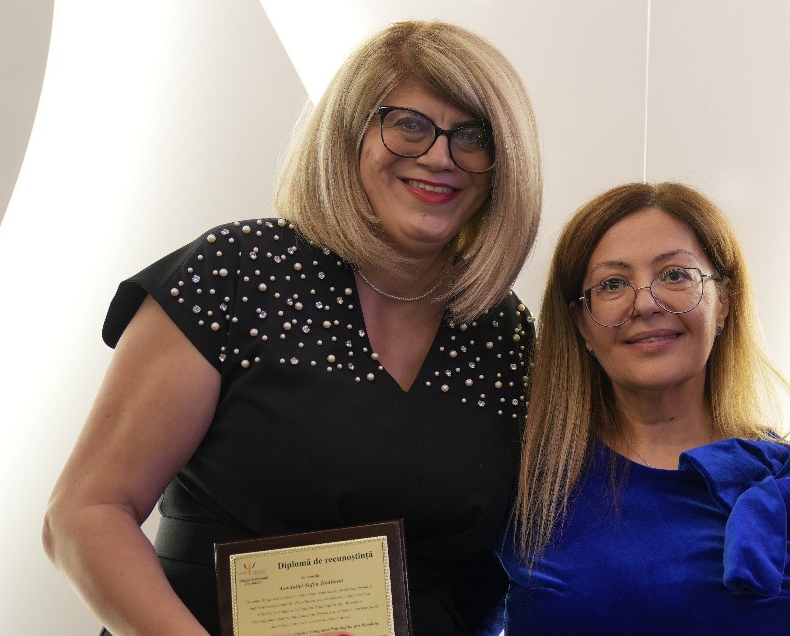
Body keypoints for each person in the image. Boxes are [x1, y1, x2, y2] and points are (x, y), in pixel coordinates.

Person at [42, 20, 541, 636]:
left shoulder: (503, 332)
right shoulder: (238, 272)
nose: (440, 156)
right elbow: (86, 513)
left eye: (473, 136)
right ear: (349, 136)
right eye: (409, 124)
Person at [498, 182, 790, 635]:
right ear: (581, 324)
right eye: (612, 284)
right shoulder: (522, 478)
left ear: (724, 303)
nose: (644, 303)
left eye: (675, 275)